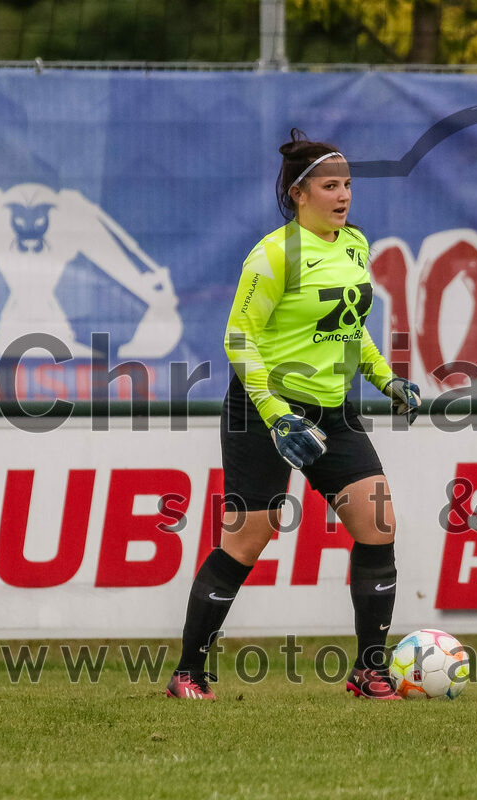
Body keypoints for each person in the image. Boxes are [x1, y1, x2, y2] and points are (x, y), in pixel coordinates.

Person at [167, 129, 420, 701]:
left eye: (348, 184)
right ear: (299, 193)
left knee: (378, 524)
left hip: (332, 410)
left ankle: (369, 670)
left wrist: (387, 379)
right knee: (247, 540)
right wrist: (278, 415)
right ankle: (188, 672)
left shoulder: (355, 244)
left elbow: (350, 331)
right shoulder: (273, 253)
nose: (344, 195)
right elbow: (239, 338)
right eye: (331, 185)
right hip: (263, 412)